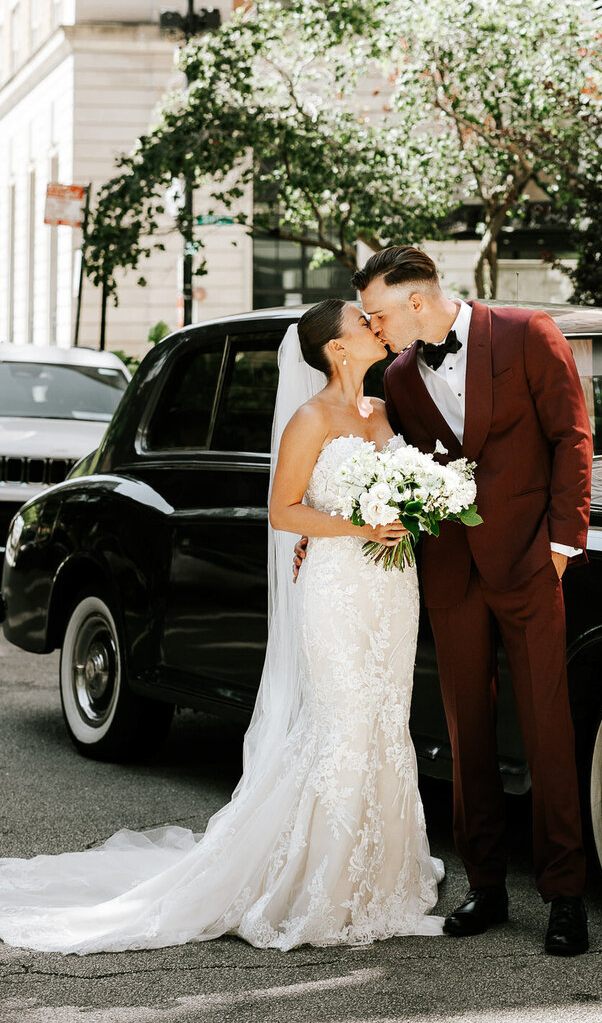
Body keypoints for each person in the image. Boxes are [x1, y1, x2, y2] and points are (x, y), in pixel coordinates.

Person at [0, 299, 445, 953]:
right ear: (336, 348)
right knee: (343, 723)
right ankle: (316, 887)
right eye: (361, 322)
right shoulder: (309, 418)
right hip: (337, 588)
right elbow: (284, 512)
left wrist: (418, 507)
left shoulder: (381, 414)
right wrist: (358, 527)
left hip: (390, 585)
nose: (375, 326)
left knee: (384, 721)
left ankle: (377, 882)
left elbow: (403, 488)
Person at [352, 245, 593, 959]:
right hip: (453, 573)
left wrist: (561, 548)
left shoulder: (528, 334)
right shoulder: (397, 375)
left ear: (418, 302)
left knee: (549, 730)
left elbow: (571, 439)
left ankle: (565, 895)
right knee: (466, 734)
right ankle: (485, 884)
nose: (376, 325)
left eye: (380, 313)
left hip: (530, 566)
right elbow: (398, 467)